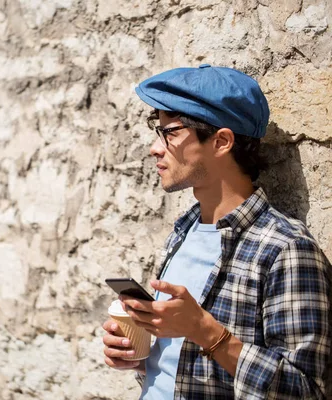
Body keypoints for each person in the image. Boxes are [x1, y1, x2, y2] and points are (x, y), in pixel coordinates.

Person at [102, 64, 331, 399]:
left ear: (222, 141)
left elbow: (307, 390)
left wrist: (205, 331)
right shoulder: (185, 230)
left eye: (171, 133)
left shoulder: (285, 249)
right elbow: (191, 370)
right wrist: (141, 358)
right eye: (158, 131)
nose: (155, 147)